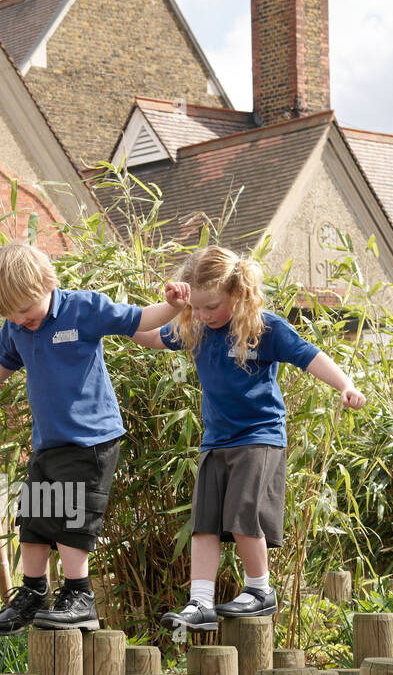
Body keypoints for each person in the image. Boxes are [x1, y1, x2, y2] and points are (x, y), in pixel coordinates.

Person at [0, 241, 190, 633]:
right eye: (10, 315)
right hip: (49, 441)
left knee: (71, 518)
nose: (20, 320)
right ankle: (33, 593)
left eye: (25, 311)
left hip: (91, 439)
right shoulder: (15, 326)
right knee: (35, 517)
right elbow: (5, 363)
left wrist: (174, 307)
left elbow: (141, 320)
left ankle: (80, 595)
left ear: (47, 283)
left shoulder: (83, 308)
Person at [132, 244, 367, 631]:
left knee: (243, 515)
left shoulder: (263, 328)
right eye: (198, 308)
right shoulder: (195, 325)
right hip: (216, 441)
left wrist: (345, 384)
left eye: (212, 307)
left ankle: (260, 590)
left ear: (237, 294)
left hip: (259, 438)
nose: (204, 315)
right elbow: (151, 336)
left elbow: (310, 356)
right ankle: (201, 602)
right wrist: (137, 319)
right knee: (204, 524)